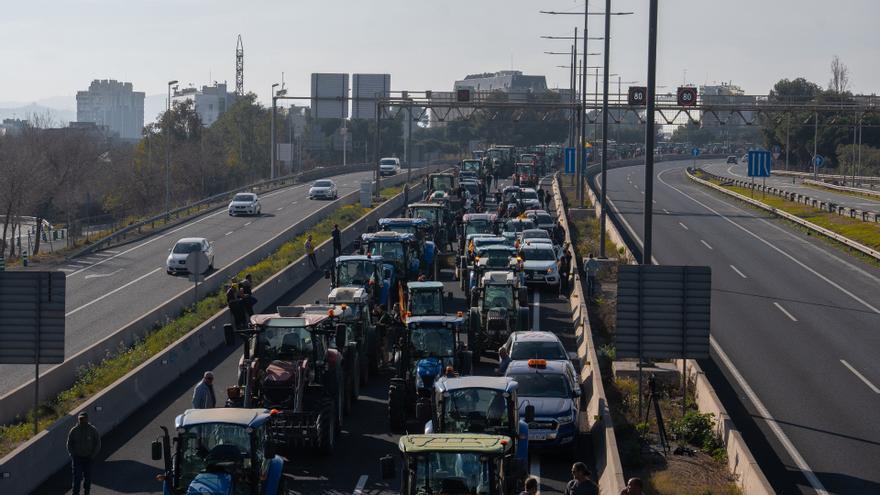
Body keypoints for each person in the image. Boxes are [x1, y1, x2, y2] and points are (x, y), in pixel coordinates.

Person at [67, 411, 101, 495]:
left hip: (88, 458)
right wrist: (72, 454)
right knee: (77, 479)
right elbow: (69, 443)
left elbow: (98, 443)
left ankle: (86, 493)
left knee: (88, 478)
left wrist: (92, 455)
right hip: (77, 458)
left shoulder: (92, 430)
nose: (82, 420)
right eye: (80, 419)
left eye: (83, 419)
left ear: (87, 419)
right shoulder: (74, 430)